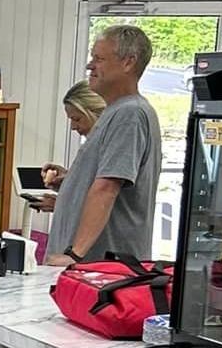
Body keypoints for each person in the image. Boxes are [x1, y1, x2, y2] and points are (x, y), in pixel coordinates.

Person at [42, 25, 160, 265]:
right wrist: (71, 182)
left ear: (128, 62)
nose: (89, 66)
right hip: (89, 267)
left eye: (99, 59)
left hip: (100, 270)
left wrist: (74, 255)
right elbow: (107, 178)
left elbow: (107, 187)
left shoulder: (130, 114)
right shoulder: (114, 112)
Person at [30, 82, 107, 215]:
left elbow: (105, 199)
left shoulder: (110, 148)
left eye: (77, 119)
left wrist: (61, 205)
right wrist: (68, 181)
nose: (73, 127)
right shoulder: (92, 146)